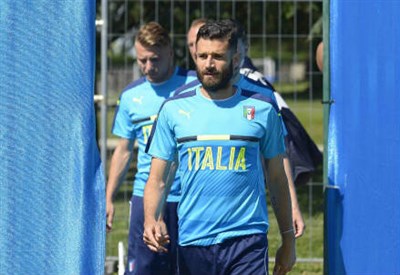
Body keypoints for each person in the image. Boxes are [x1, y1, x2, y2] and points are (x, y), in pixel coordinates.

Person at [144, 21, 296, 275]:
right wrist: (151, 218)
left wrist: (288, 240)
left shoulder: (262, 107)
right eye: (202, 56)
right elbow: (158, 179)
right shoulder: (174, 109)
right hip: (194, 239)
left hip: (247, 240)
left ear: (235, 59)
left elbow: (278, 178)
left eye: (217, 56)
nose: (208, 64)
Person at [179, 18, 307, 238]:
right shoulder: (182, 99)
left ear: (236, 54)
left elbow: (278, 158)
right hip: (194, 223)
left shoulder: (262, 97)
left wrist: (293, 205)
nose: (204, 57)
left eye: (218, 54)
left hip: (246, 225)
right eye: (193, 46)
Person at [106, 21, 196, 275]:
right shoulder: (131, 96)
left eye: (154, 59)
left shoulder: (195, 86)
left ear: (169, 52)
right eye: (141, 60)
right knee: (145, 268)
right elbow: (123, 150)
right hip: (146, 197)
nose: (147, 67)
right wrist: (109, 197)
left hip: (190, 196)